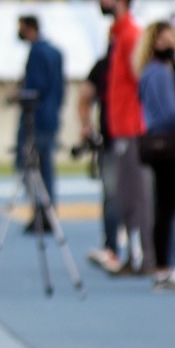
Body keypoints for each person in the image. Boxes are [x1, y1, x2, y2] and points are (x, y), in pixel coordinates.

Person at [135, 21, 175, 288]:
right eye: (162, 40)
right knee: (171, 207)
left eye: (172, 38)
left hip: (168, 146)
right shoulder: (159, 74)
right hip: (169, 147)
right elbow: (170, 115)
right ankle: (166, 267)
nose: (170, 44)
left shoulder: (161, 71)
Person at [101, 0, 154, 275]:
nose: (102, 1)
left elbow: (140, 80)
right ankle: (135, 255)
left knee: (136, 196)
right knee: (125, 196)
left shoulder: (131, 35)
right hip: (121, 126)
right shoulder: (119, 35)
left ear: (120, 0)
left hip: (132, 127)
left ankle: (144, 257)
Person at [15, 15, 65, 233]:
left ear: (29, 28)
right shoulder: (55, 52)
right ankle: (48, 212)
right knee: (46, 167)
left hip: (35, 118)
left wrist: (20, 96)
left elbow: (36, 88)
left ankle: (40, 212)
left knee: (29, 165)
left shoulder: (37, 52)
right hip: (51, 116)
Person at [78, 49, 121, 272]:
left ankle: (139, 249)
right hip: (110, 139)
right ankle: (112, 246)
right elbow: (84, 95)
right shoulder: (104, 65)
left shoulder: (138, 63)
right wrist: (86, 126)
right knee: (112, 196)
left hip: (132, 138)